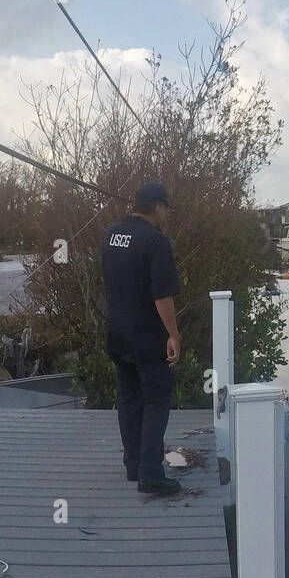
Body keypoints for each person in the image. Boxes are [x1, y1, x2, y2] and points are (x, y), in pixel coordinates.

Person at [102, 182, 183, 495]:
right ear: (158, 207)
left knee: (128, 398)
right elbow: (162, 297)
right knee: (156, 400)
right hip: (147, 337)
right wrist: (173, 334)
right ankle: (150, 473)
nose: (167, 215)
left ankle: (133, 465)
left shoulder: (110, 234)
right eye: (167, 209)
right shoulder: (155, 241)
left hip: (117, 334)